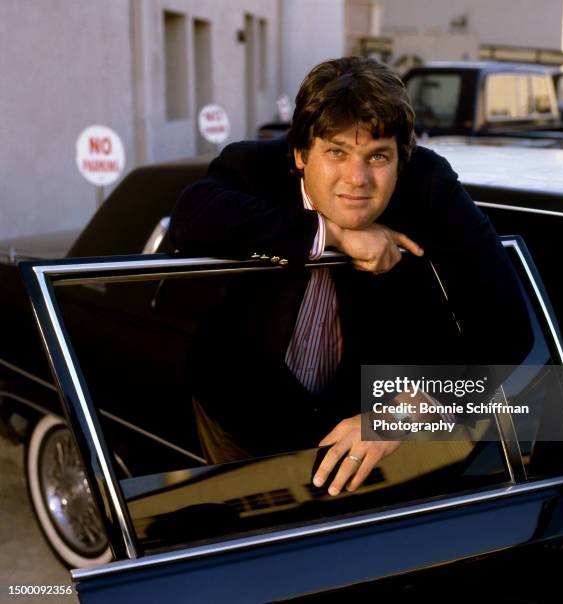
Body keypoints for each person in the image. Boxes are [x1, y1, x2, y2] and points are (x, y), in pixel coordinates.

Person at [169, 56, 532, 496]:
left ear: (401, 157)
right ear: (300, 154)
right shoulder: (253, 167)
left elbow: (507, 328)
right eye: (337, 152)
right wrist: (332, 233)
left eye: (378, 156)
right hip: (238, 405)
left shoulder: (429, 185)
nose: (357, 179)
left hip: (358, 419)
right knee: (250, 539)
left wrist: (407, 412)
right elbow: (191, 218)